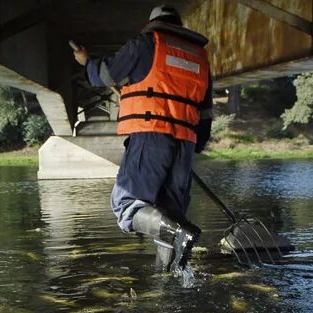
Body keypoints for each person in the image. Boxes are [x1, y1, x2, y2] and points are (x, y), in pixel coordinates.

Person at [73, 4, 213, 272]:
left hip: (151, 137)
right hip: (184, 143)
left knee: (126, 204)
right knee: (172, 214)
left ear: (152, 25)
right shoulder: (199, 58)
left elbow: (106, 74)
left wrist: (86, 62)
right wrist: (195, 146)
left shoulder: (146, 44)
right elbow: (205, 112)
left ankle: (179, 235)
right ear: (178, 25)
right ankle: (167, 284)